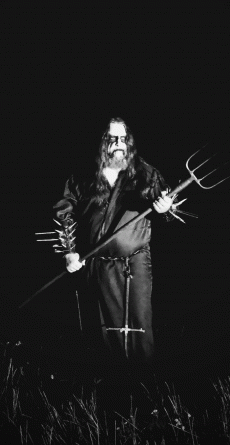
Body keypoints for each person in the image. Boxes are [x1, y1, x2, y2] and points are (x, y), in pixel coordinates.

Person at [53, 118, 174, 368]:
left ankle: (144, 382)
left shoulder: (145, 174)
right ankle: (109, 382)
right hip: (94, 265)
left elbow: (168, 208)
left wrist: (165, 208)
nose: (119, 144)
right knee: (101, 331)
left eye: (123, 138)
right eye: (112, 138)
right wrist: (69, 252)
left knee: (139, 327)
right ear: (101, 142)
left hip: (134, 264)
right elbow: (64, 212)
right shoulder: (83, 176)